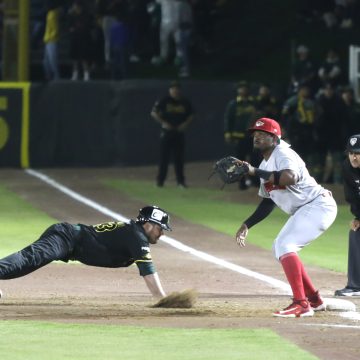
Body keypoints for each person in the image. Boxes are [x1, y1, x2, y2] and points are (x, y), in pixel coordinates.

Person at [235, 117, 337, 317]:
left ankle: (301, 304)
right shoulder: (266, 162)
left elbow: (289, 177)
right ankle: (313, 299)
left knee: (285, 245)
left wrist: (254, 171)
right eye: (255, 134)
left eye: (262, 134)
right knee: (279, 247)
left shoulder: (283, 153)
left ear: (275, 137)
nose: (256, 137)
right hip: (307, 209)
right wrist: (247, 224)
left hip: (317, 205)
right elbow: (268, 201)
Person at [0, 205, 171, 299]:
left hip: (69, 242)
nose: (162, 233)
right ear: (148, 224)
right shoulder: (137, 236)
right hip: (66, 238)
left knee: (28, 264)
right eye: (160, 228)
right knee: (29, 259)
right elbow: (148, 270)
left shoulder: (134, 233)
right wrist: (162, 299)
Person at [151, 81, 194, 188]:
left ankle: (180, 182)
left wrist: (185, 124)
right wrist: (163, 123)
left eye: (177, 88)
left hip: (179, 133)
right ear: (170, 90)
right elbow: (153, 112)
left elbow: (191, 115)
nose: (175, 90)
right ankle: (160, 181)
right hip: (166, 133)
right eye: (173, 88)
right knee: (164, 158)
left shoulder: (184, 102)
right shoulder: (164, 100)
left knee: (179, 159)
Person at [334, 135, 360, 296]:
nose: (354, 157)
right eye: (351, 153)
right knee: (356, 232)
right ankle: (355, 286)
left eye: (358, 153)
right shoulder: (347, 167)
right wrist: (358, 217)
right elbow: (352, 197)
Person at [223, 81, 257, 190]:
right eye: (241, 88)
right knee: (239, 161)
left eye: (245, 88)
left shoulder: (254, 103)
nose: (243, 90)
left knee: (254, 159)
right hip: (238, 136)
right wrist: (228, 133)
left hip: (252, 136)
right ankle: (241, 183)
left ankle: (255, 181)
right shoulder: (233, 104)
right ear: (238, 90)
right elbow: (228, 119)